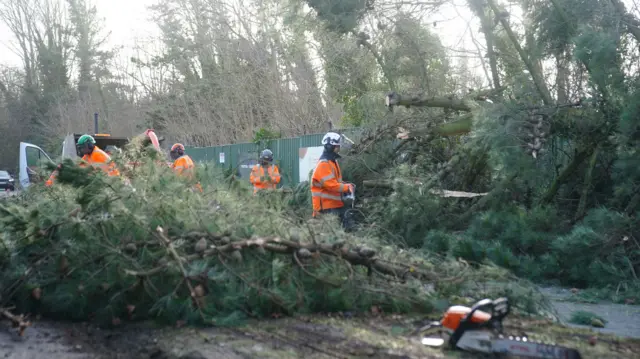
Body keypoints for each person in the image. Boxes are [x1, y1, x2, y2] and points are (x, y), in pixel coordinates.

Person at [310, 132, 354, 227]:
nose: (339, 148)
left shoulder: (333, 162)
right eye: (337, 146)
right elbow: (331, 185)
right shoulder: (324, 164)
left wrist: (346, 184)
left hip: (334, 205)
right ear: (331, 147)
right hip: (325, 208)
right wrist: (347, 187)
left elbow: (336, 182)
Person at [46, 134, 119, 186]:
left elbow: (96, 174)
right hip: (106, 180)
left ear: (89, 145)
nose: (81, 150)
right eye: (80, 148)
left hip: (113, 182)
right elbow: (80, 165)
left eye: (82, 147)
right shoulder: (88, 154)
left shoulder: (97, 155)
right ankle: (49, 184)